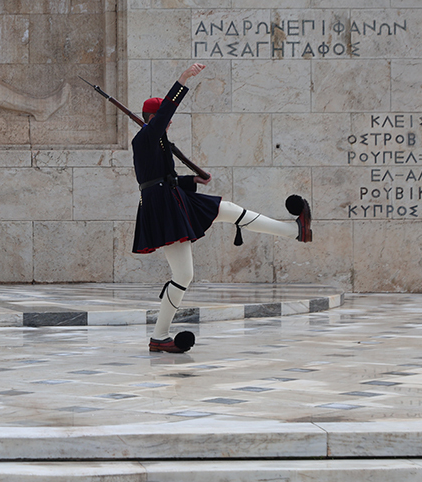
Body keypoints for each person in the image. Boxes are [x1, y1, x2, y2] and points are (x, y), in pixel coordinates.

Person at [133, 63, 312, 353]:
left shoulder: (157, 141)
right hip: (165, 207)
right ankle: (160, 334)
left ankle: (294, 231)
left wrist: (193, 180)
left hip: (172, 199)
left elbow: (162, 178)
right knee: (184, 275)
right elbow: (155, 175)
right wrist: (183, 79)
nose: (170, 123)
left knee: (225, 210)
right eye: (164, 119)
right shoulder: (146, 137)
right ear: (154, 118)